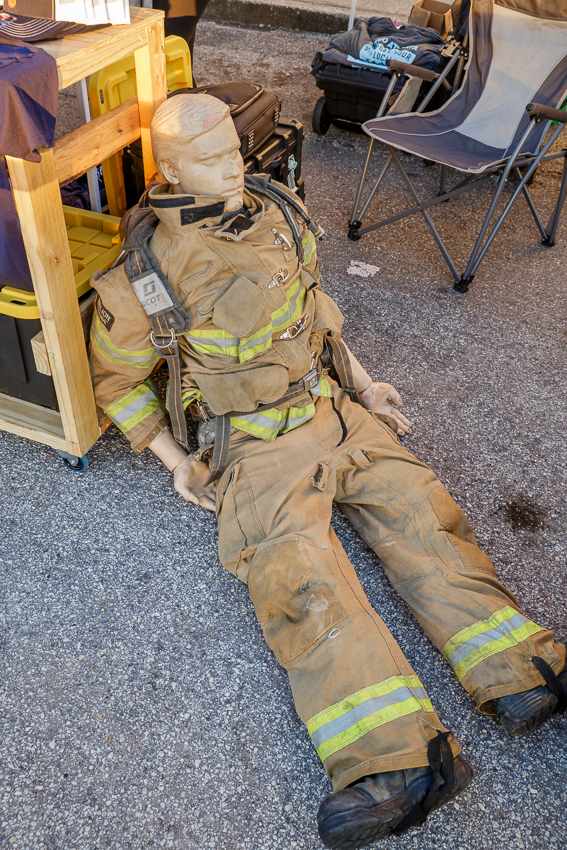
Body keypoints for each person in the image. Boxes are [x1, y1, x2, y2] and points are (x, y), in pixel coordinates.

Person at [88, 94, 566, 850]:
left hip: (333, 409)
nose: (231, 166)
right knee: (302, 583)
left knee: (425, 518)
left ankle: (523, 670)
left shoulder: (278, 210)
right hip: (255, 447)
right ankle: (395, 759)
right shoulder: (145, 274)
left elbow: (315, 312)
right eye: (208, 158)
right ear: (170, 170)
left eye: (231, 148)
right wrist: (178, 462)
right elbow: (114, 382)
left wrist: (364, 386)